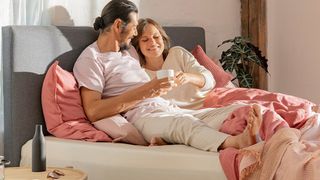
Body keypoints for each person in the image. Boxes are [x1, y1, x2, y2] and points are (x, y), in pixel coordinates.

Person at [73, 0, 261, 151]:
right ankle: (234, 143)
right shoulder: (91, 60)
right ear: (117, 25)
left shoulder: (128, 51)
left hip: (166, 107)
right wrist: (148, 90)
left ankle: (263, 137)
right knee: (184, 124)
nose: (136, 33)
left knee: (236, 109)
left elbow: (154, 52)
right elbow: (94, 111)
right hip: (142, 117)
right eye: (135, 27)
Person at [131, 18, 319, 129]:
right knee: (250, 108)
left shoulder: (177, 53)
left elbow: (208, 80)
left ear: (163, 38)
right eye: (145, 39)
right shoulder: (138, 74)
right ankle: (296, 121)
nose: (152, 42)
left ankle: (310, 112)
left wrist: (187, 77)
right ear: (138, 45)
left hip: (212, 96)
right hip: (198, 112)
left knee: (259, 96)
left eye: (156, 37)